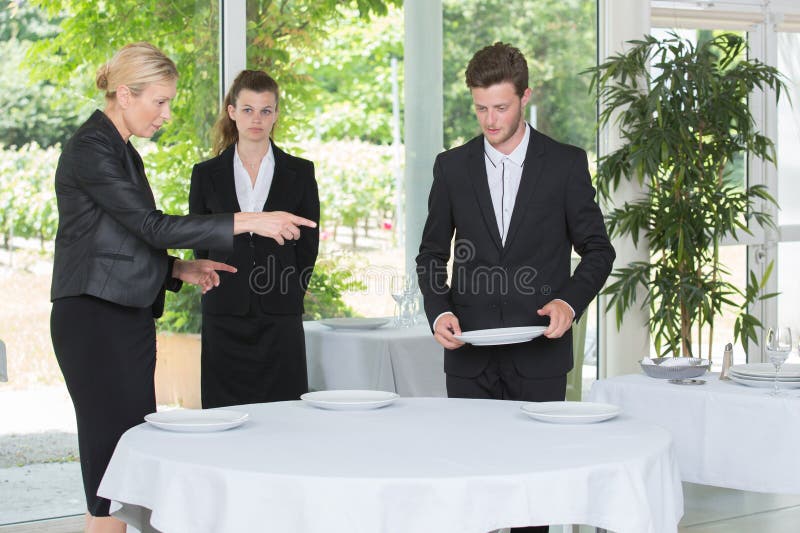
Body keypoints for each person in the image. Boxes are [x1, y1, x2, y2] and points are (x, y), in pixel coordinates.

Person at [50, 43, 315, 533]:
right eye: (160, 101)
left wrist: (177, 270)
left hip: (120, 313)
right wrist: (249, 220)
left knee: (124, 461)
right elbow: (150, 225)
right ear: (125, 95)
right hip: (95, 318)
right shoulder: (92, 148)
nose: (166, 114)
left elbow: (120, 238)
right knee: (116, 464)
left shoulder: (120, 150)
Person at [415, 42, 615, 532]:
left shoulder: (566, 164)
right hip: (469, 356)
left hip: (540, 356)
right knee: (471, 498)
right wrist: (439, 311)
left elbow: (598, 250)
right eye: (480, 108)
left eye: (501, 107)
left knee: (533, 499)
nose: (490, 120)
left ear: (525, 96)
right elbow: (431, 254)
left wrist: (569, 302)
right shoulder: (451, 166)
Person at [189, 70, 319, 408]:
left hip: (280, 309)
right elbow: (200, 240)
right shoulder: (205, 174)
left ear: (276, 114)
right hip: (224, 308)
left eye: (265, 110)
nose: (256, 119)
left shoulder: (301, 171)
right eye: (247, 109)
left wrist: (292, 288)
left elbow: (308, 244)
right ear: (232, 112)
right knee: (223, 410)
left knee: (285, 410)